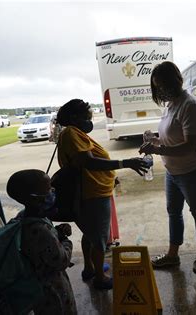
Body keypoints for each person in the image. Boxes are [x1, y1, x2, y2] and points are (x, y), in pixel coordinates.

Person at [56, 99, 148, 290]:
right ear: (75, 117)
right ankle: (100, 277)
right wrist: (125, 163)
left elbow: (91, 162)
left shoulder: (75, 133)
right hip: (93, 195)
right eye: (86, 116)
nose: (89, 120)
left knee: (90, 234)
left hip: (96, 191)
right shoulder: (71, 133)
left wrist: (110, 176)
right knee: (99, 238)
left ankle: (90, 268)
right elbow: (89, 163)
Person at [139, 61, 196, 274]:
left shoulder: (190, 105)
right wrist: (155, 138)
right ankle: (173, 255)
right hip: (173, 172)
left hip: (193, 170)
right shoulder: (171, 105)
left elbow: (190, 146)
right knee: (173, 212)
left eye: (163, 84)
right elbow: (170, 137)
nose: (160, 89)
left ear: (176, 80)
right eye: (157, 86)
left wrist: (158, 150)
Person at [6, 169, 77, 314]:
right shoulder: (40, 230)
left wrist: (57, 231)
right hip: (51, 290)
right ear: (34, 198)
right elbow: (61, 260)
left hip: (37, 285)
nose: (53, 190)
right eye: (49, 188)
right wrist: (65, 240)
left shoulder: (23, 218)